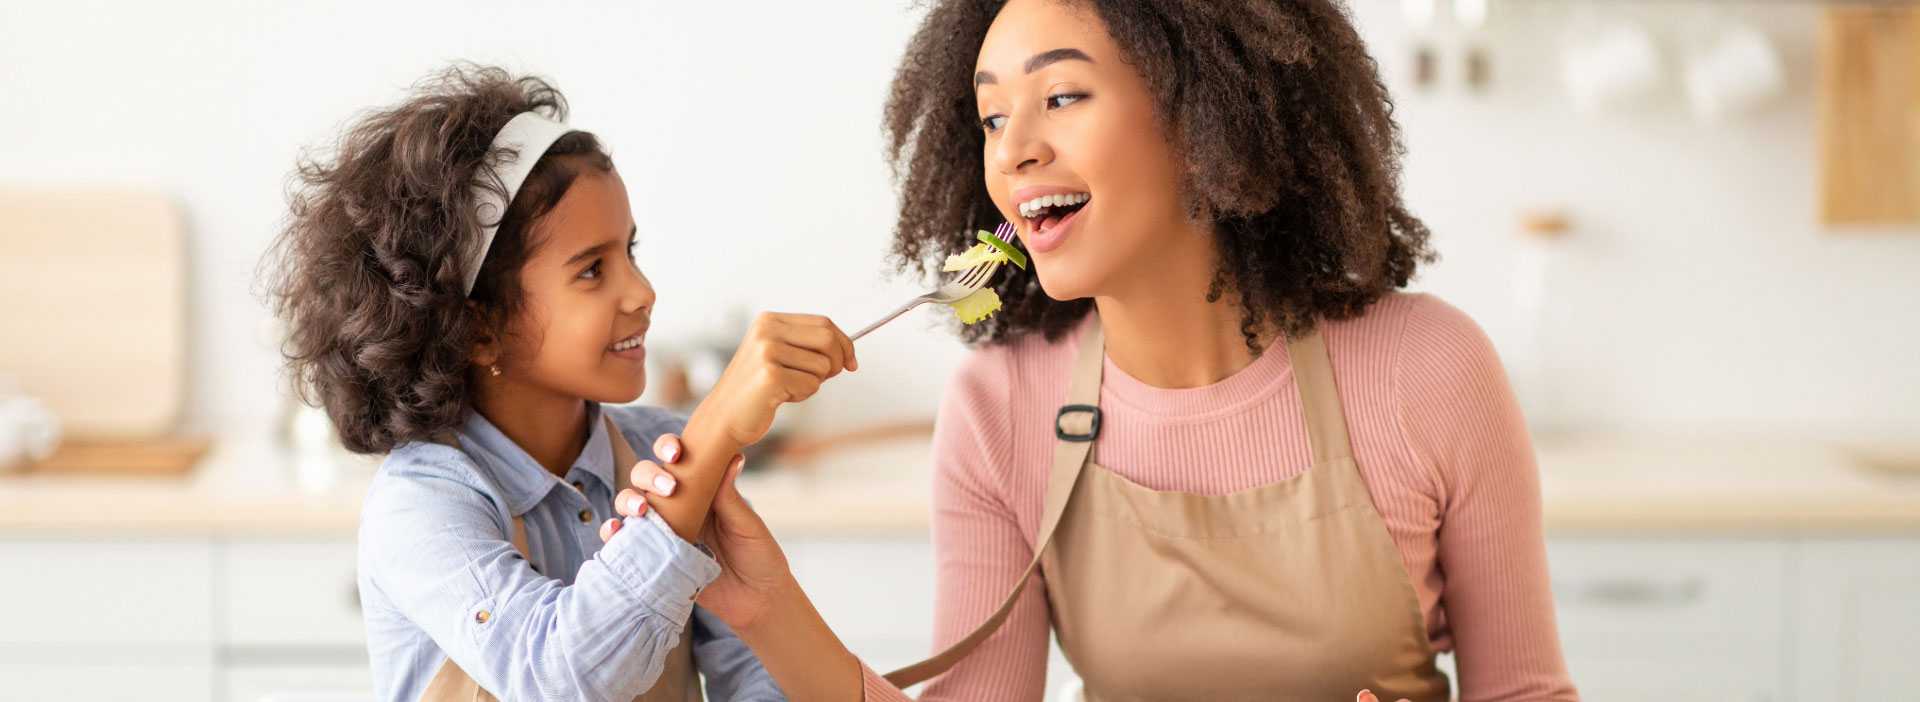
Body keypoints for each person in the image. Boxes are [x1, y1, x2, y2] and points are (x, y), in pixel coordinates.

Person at [266, 64, 858, 701]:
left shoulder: (665, 447)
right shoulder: (421, 505)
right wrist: (711, 434)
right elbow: (556, 677)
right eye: (591, 271)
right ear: (479, 329)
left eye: (630, 252)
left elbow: (762, 684)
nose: (643, 292)